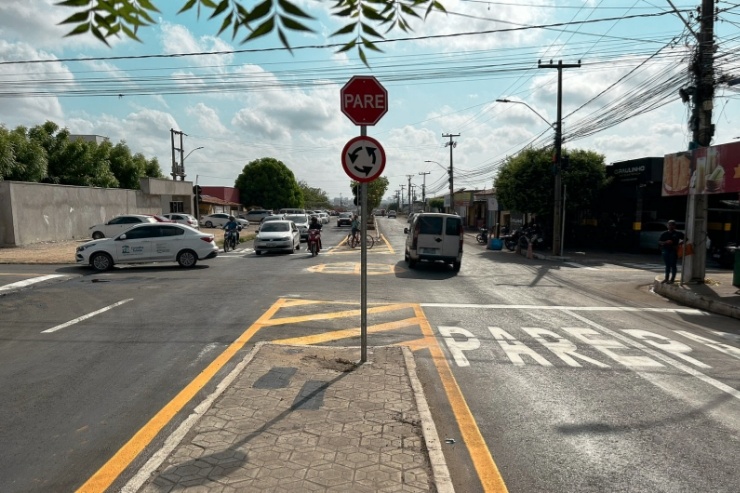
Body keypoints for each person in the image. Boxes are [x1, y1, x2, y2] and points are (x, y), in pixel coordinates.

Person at [658, 219, 684, 284]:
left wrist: (679, 244)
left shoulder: (678, 233)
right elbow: (659, 242)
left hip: (673, 250)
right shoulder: (664, 234)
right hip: (666, 249)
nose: (671, 227)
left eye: (672, 225)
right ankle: (666, 278)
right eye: (669, 225)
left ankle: (672, 279)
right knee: (667, 265)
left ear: (675, 226)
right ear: (667, 226)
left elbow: (685, 239)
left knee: (673, 265)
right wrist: (665, 242)